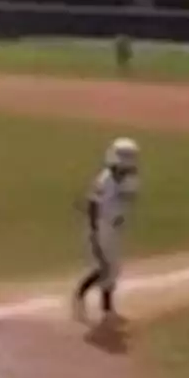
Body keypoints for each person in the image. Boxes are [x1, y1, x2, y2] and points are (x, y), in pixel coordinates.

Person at [72, 138, 141, 326]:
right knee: (104, 268)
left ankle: (107, 310)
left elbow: (125, 202)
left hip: (116, 228)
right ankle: (79, 297)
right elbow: (93, 204)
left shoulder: (131, 180)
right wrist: (94, 231)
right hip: (101, 227)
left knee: (113, 270)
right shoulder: (105, 180)